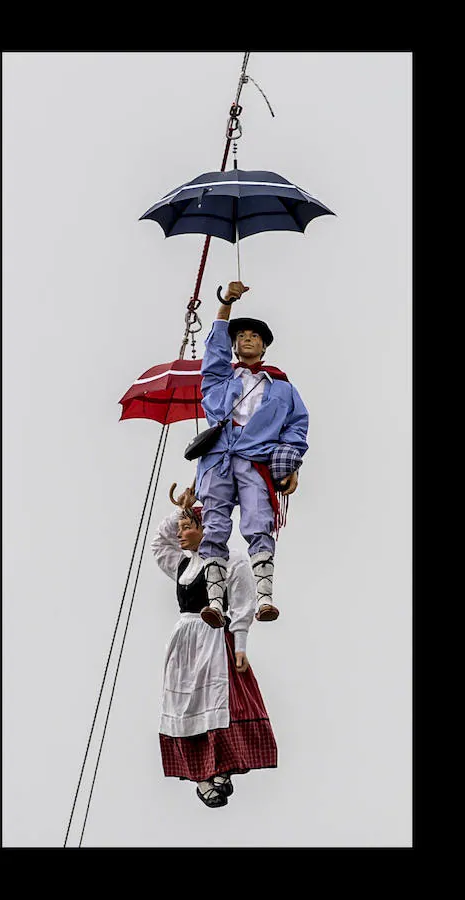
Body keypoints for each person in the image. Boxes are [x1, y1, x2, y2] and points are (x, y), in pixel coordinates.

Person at [151, 486, 277, 808]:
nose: (180, 533)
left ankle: (223, 768)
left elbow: (242, 605)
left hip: (213, 639)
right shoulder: (184, 565)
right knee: (188, 707)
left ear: (205, 529)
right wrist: (183, 507)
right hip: (185, 644)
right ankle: (202, 775)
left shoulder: (231, 561)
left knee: (219, 705)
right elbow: (157, 543)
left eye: (187, 527)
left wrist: (241, 645)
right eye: (180, 527)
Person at [196, 280, 309, 626]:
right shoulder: (219, 379)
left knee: (259, 522)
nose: (247, 339)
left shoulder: (283, 388)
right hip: (218, 459)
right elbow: (212, 352)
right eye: (241, 335)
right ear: (233, 344)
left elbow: (297, 425)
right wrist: (225, 303)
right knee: (214, 525)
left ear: (263, 346)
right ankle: (215, 602)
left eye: (254, 336)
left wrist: (290, 464)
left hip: (255, 460)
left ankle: (264, 598)